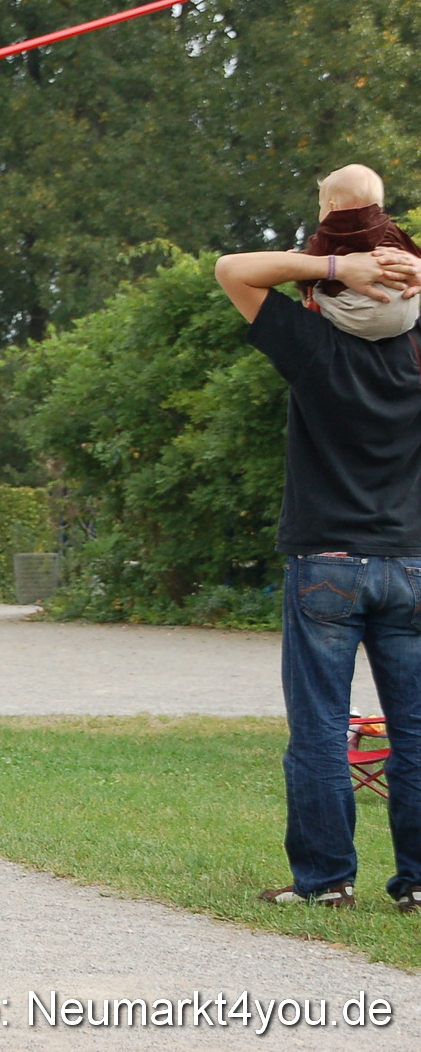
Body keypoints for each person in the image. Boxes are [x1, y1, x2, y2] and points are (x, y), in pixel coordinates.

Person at [215, 207, 421, 912]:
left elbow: (231, 270)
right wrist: (408, 275)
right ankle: (418, 883)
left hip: (326, 560)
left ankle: (327, 880)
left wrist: (335, 267)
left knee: (320, 732)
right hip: (412, 563)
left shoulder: (311, 342)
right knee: (417, 732)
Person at [300, 164, 421, 341]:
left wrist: (296, 260)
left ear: (332, 207)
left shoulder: (329, 233)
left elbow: (308, 269)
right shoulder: (392, 229)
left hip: (358, 319)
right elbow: (415, 257)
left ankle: (311, 308)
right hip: (405, 317)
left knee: (317, 284)